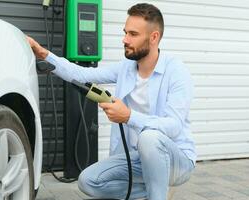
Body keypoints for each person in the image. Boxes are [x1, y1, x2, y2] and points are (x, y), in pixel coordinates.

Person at [27, 3, 196, 200]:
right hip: (136, 158)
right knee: (88, 181)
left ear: (154, 37)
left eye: (133, 34)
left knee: (149, 138)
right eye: (125, 32)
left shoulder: (176, 71)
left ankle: (156, 195)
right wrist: (44, 54)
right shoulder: (126, 68)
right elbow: (82, 74)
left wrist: (129, 116)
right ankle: (154, 188)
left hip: (176, 159)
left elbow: (174, 126)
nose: (125, 39)